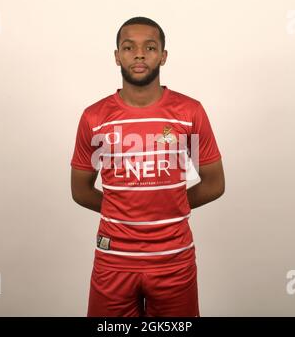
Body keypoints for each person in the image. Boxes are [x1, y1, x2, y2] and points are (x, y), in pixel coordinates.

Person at [70, 16, 225, 317]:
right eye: (128, 47)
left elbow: (214, 183)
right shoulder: (94, 117)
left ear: (163, 55)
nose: (139, 54)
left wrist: (170, 204)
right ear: (117, 55)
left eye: (150, 47)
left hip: (173, 260)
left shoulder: (189, 112)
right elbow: (80, 189)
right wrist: (123, 207)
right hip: (113, 258)